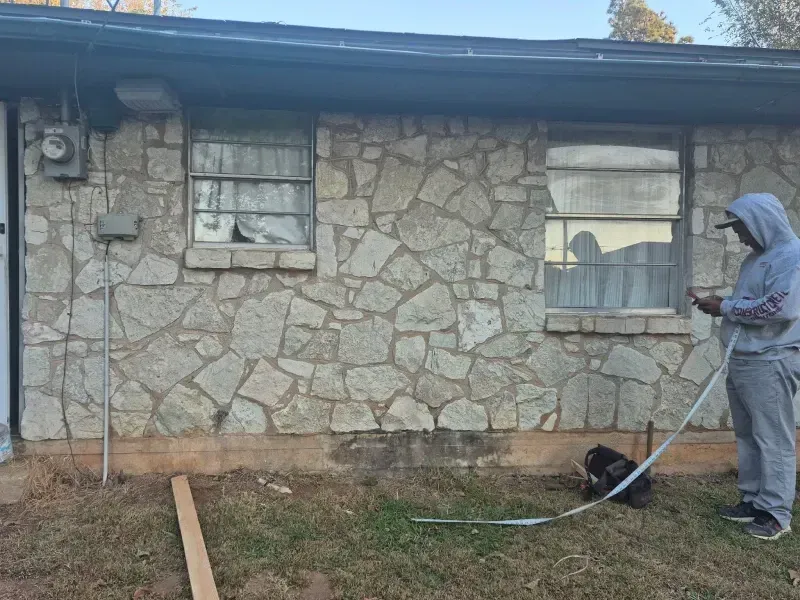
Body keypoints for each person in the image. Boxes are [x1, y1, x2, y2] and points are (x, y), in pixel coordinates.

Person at [694, 192, 800, 541]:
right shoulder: (756, 259)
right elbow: (750, 302)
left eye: (742, 228)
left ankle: (775, 513)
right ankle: (754, 500)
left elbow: (779, 308)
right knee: (748, 435)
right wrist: (720, 302)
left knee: (773, 438)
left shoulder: (792, 256)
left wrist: (723, 306)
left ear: (762, 223)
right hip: (744, 359)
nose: (740, 237)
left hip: (771, 360)